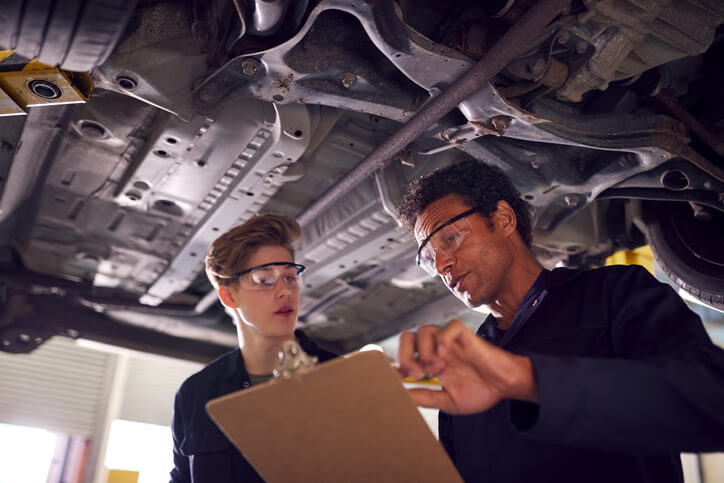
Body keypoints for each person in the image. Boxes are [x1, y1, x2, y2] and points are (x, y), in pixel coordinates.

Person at [395, 159, 724, 483]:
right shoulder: (462, 368)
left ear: (504, 219)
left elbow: (711, 398)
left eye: (450, 238)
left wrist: (529, 380)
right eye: (428, 257)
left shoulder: (613, 294)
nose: (442, 265)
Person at [169, 214, 335, 483]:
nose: (285, 291)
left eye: (290, 277)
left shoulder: (342, 379)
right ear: (229, 295)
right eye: (265, 280)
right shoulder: (196, 394)